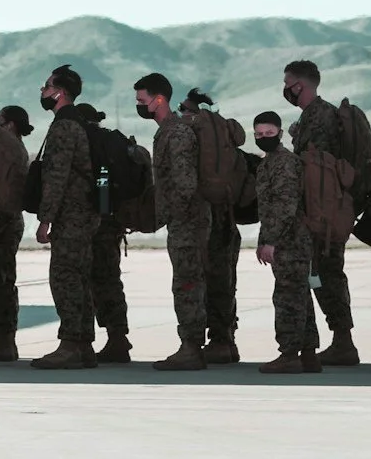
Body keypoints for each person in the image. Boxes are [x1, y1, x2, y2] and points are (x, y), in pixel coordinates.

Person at [34, 65, 125, 369]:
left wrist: (45, 218)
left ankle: (71, 343)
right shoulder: (82, 125)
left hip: (71, 215)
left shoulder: (64, 127)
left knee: (65, 278)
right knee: (80, 278)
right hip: (87, 213)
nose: (43, 92)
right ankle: (83, 345)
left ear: (59, 93)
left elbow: (56, 177)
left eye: (46, 87)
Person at [283, 59, 358, 366]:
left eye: (288, 84)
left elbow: (315, 169)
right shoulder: (313, 116)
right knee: (324, 274)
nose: (286, 89)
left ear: (301, 85)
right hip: (322, 209)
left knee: (326, 274)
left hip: (323, 212)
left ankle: (343, 341)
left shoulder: (319, 118)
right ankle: (341, 339)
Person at [135, 72, 207, 370]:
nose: (139, 105)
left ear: (159, 99)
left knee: (187, 283)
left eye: (142, 100)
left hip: (187, 222)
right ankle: (196, 344)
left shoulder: (175, 133)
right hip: (183, 220)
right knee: (189, 281)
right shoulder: (167, 130)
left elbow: (185, 184)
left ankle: (191, 347)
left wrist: (171, 214)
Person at [252, 111, 322, 373]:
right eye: (259, 134)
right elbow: (268, 209)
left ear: (280, 134)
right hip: (286, 239)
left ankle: (290, 354)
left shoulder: (284, 163)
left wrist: (270, 241)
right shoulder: (268, 163)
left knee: (287, 298)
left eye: (269, 133)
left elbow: (284, 206)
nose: (263, 138)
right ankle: (308, 354)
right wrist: (263, 240)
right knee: (299, 295)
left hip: (290, 242)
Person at [181, 86, 244, 365]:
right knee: (226, 280)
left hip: (205, 218)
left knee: (208, 280)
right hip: (228, 216)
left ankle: (218, 341)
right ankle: (226, 339)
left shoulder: (195, 137)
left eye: (183, 109)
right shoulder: (225, 136)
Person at [0, 105, 33, 362]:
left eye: (0, 121)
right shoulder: (11, 148)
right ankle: (4, 338)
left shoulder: (11, 149)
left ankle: (6, 339)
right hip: (6, 220)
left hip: (6, 221)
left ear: (11, 125)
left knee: (2, 280)